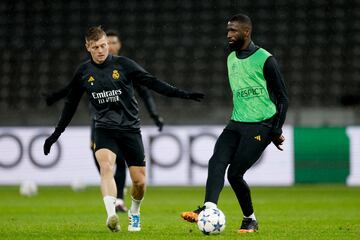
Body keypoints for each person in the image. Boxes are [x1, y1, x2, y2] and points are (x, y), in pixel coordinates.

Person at [43, 26, 204, 232]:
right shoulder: (83, 72)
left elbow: (152, 83)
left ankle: (134, 212)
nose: (101, 51)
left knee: (139, 182)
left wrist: (184, 95)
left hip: (129, 129)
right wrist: (56, 134)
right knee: (106, 167)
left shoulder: (124, 65)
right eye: (96, 47)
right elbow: (70, 105)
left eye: (103, 46)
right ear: (87, 47)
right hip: (104, 128)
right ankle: (111, 215)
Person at [181, 13, 288, 233]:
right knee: (216, 161)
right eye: (227, 31)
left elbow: (283, 98)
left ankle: (250, 220)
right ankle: (208, 209)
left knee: (235, 174)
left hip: (261, 125)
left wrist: (276, 130)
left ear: (246, 32)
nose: (228, 35)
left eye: (233, 31)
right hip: (235, 123)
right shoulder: (230, 58)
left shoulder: (266, 59)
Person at [43, 29, 164, 213]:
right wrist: (54, 98)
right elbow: (72, 91)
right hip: (100, 122)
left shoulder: (125, 67)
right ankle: (113, 195)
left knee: (124, 163)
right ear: (90, 47)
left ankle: (120, 200)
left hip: (125, 124)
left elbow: (146, 91)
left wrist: (155, 115)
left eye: (112, 43)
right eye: (100, 45)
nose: (109, 47)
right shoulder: (87, 70)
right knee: (103, 162)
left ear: (116, 45)